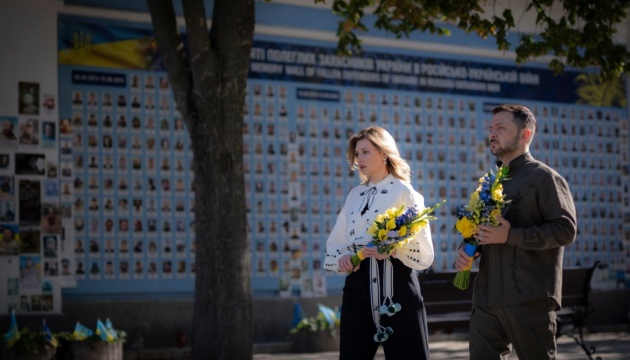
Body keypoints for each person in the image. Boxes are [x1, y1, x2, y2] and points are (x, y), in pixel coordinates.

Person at [455, 104, 577, 360]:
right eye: (491, 128)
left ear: (525, 135)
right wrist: (469, 250)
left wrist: (512, 236)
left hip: (530, 300)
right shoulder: (490, 182)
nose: (492, 133)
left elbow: (566, 230)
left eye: (501, 128)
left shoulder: (545, 178)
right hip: (486, 300)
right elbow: (485, 233)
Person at [323, 126, 434, 359]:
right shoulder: (354, 194)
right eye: (356, 153)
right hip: (357, 285)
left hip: (397, 286)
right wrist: (343, 258)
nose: (358, 159)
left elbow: (423, 249)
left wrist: (393, 248)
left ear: (384, 153)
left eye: (365, 152)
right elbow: (338, 239)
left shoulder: (404, 191)